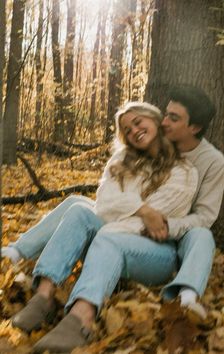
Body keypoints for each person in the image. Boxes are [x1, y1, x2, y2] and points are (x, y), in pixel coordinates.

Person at [6, 101, 198, 353]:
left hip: (158, 253)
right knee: (78, 211)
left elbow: (160, 221)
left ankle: (82, 317)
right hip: (114, 239)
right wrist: (143, 209)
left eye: (138, 121)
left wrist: (121, 216)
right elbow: (104, 202)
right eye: (127, 130)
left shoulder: (184, 170)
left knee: (105, 235)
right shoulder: (123, 160)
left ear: (154, 118)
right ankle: (43, 296)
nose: (134, 131)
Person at [154, 85, 224, 315]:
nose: (164, 122)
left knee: (203, 235)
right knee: (74, 203)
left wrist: (169, 226)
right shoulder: (154, 146)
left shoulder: (214, 162)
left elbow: (205, 217)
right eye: (166, 114)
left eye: (173, 118)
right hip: (139, 227)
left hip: (178, 240)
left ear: (194, 127)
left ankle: (187, 300)